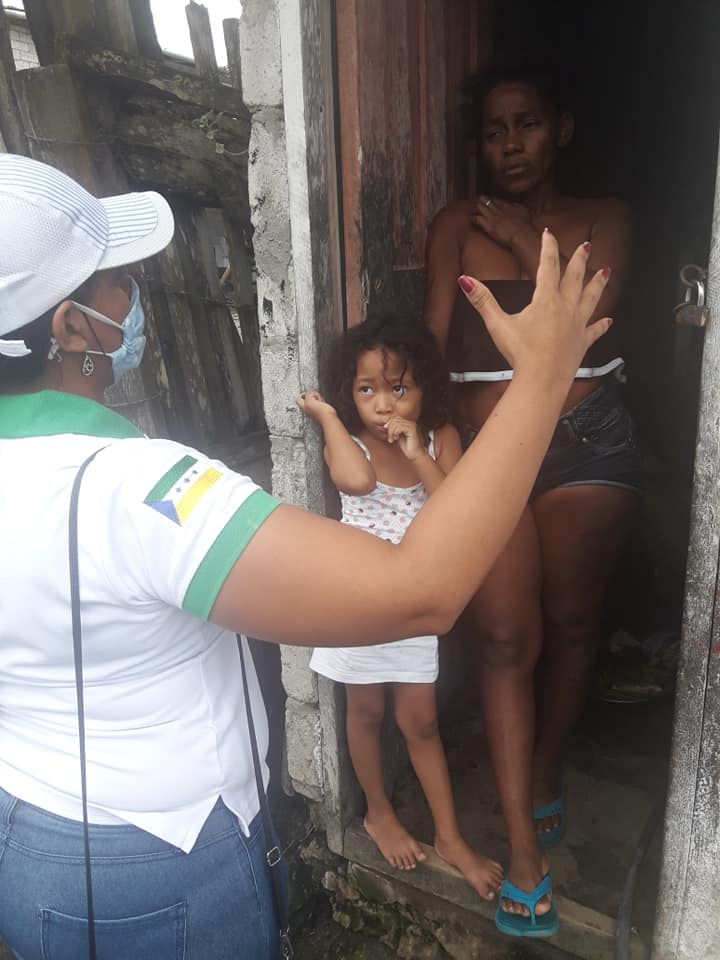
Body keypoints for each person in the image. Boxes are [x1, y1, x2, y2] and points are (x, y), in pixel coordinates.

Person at [0, 153, 610, 960]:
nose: (134, 293)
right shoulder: (129, 489)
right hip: (157, 871)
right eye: (118, 281)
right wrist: (544, 376)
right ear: (73, 329)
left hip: (27, 839)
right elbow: (421, 592)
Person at [424, 65, 643, 937]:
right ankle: (522, 850)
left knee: (574, 622)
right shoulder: (455, 225)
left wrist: (525, 239)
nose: (510, 144)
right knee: (507, 638)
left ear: (562, 128)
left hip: (587, 440)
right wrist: (432, 446)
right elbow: (432, 349)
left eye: (527, 124)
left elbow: (589, 327)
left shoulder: (605, 219)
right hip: (490, 456)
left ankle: (547, 766)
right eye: (493, 131)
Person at [298, 315, 503, 901]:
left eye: (398, 388)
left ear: (425, 388)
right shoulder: (352, 440)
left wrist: (417, 453)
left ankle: (450, 837)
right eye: (366, 389)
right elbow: (355, 483)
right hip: (356, 599)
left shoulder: (440, 439)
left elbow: (457, 509)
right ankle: (378, 812)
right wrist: (329, 419)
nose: (383, 404)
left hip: (412, 601)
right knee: (364, 712)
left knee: (421, 722)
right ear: (349, 392)